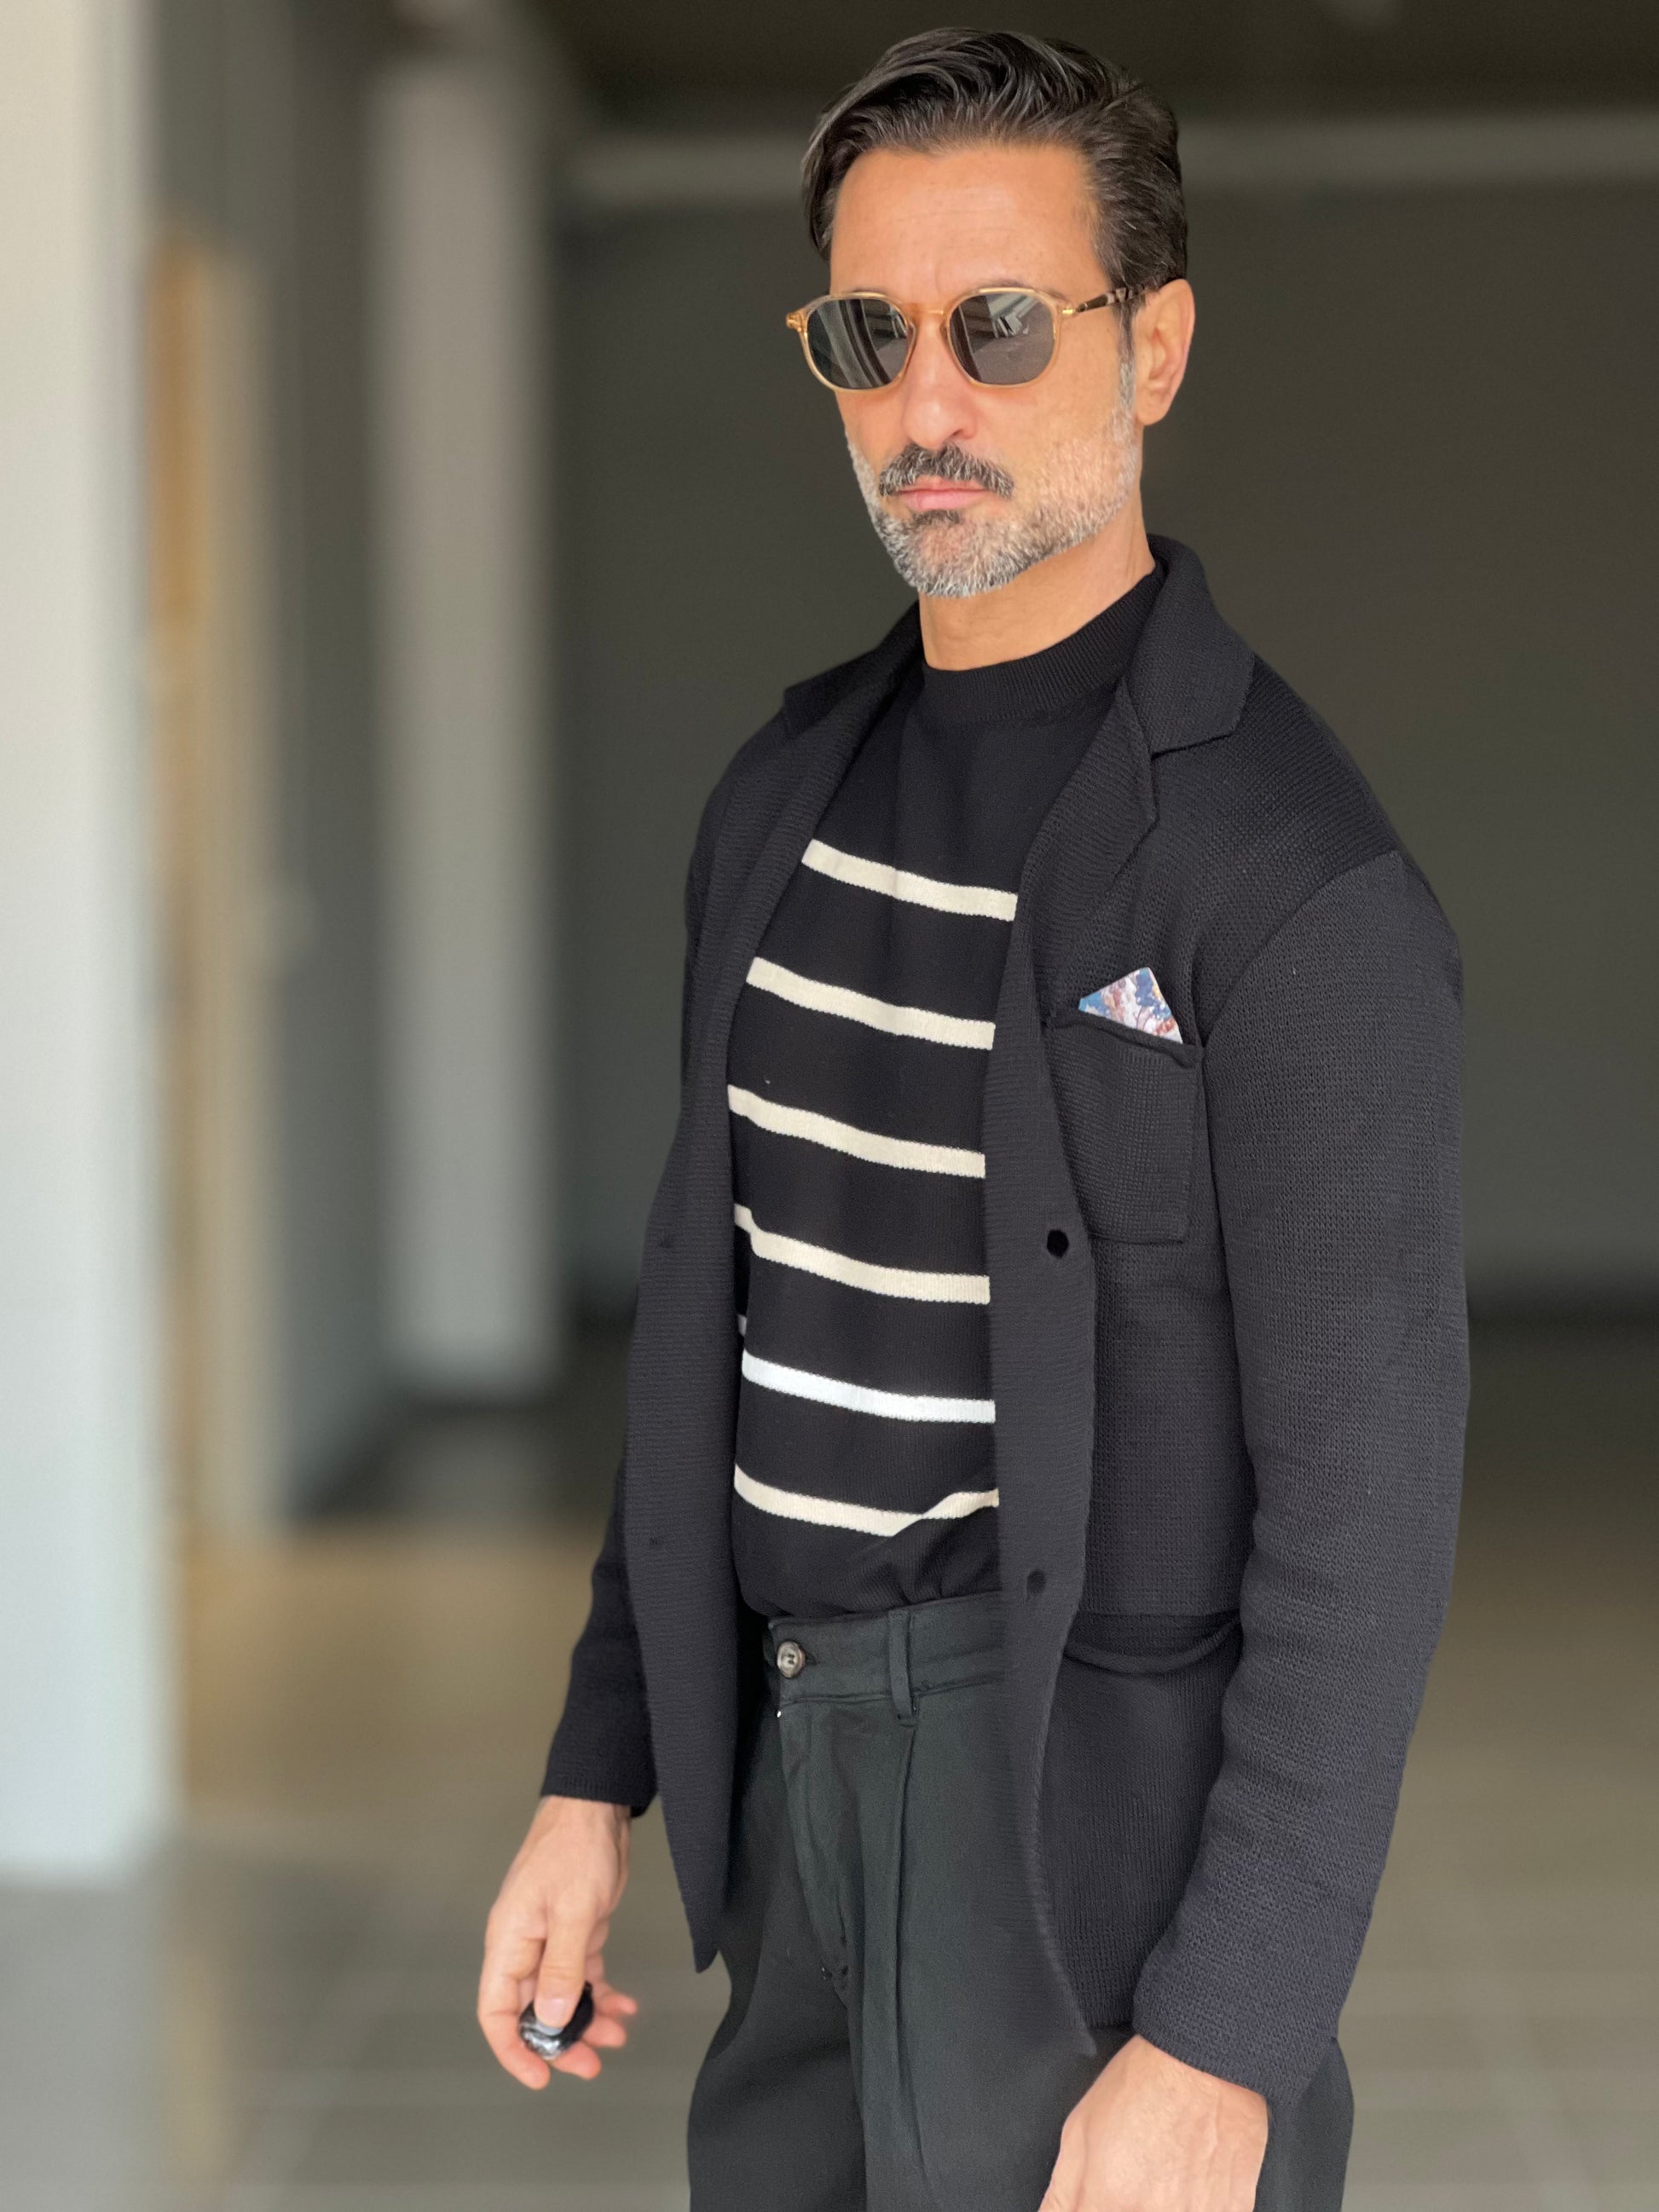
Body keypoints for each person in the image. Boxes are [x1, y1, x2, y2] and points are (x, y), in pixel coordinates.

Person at [477, 29, 1466, 2212]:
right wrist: (593, 1772)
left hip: (1083, 1850)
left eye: (1000, 326)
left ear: (1154, 346)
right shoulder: (780, 802)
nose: (927, 401)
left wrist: (1225, 2030)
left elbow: (1367, 1519)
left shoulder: (1290, 887)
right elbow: (710, 1338)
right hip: (791, 1795)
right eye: (871, 334)